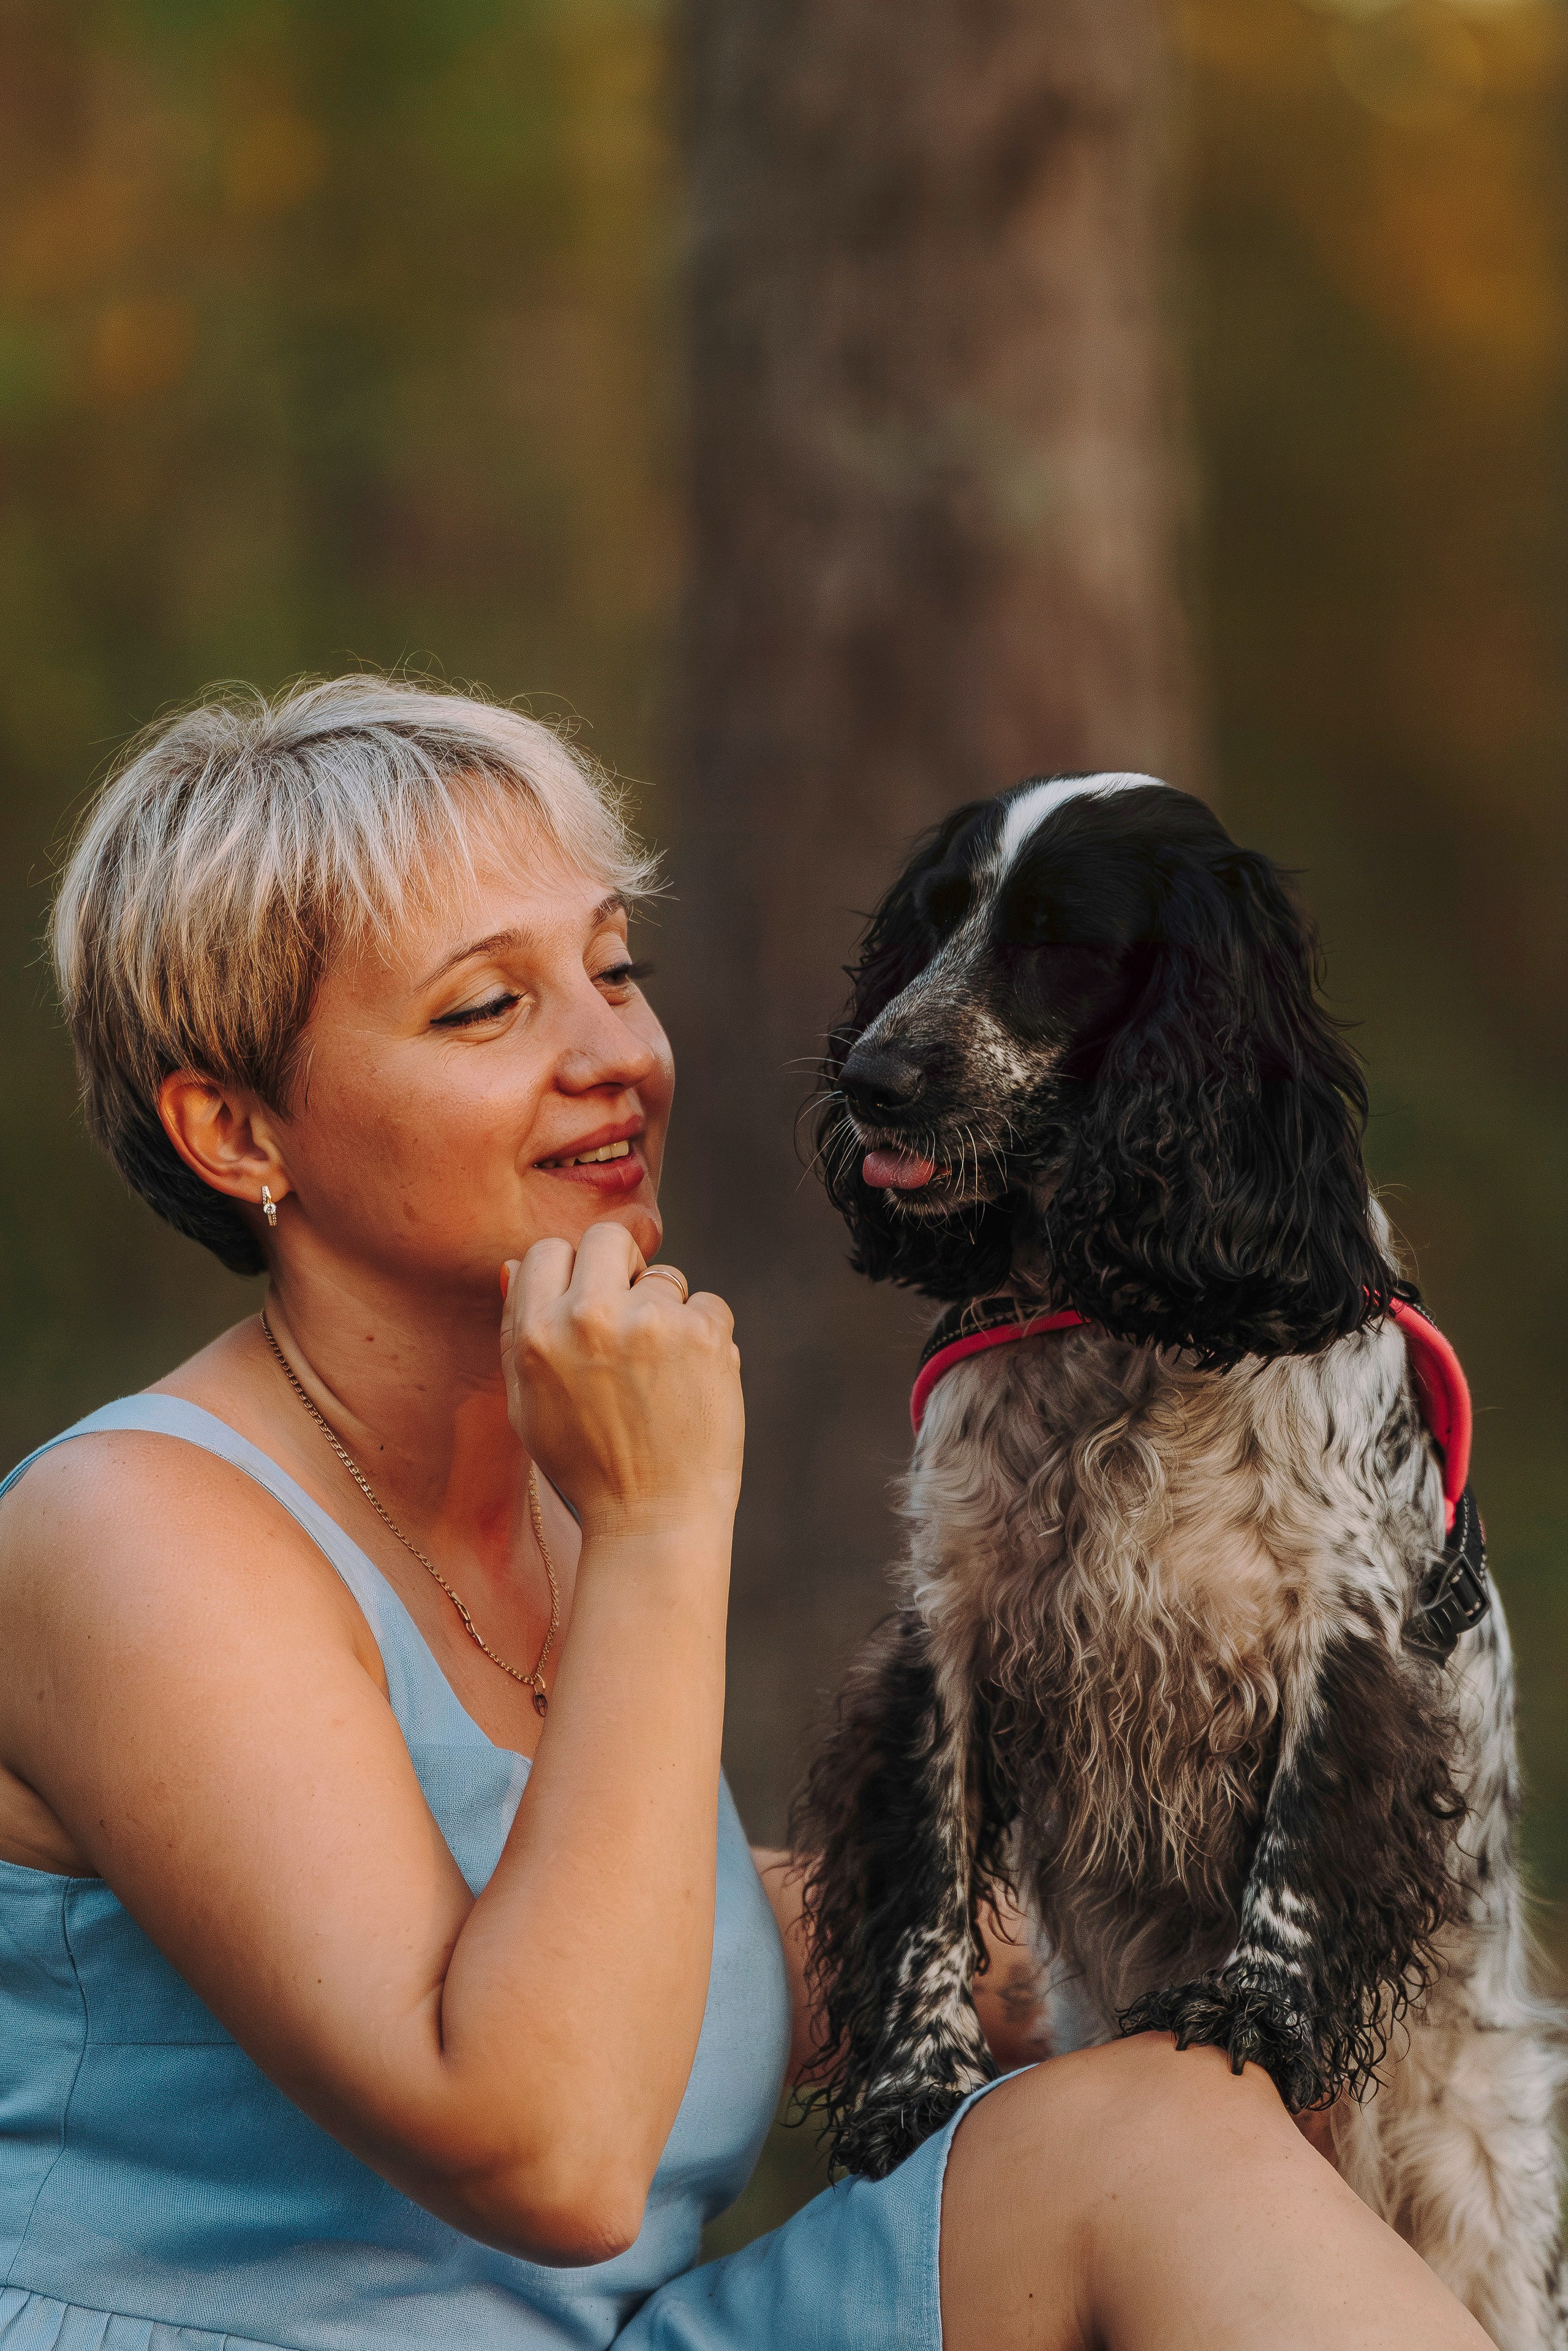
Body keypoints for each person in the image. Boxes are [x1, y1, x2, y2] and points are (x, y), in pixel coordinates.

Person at [0, 676, 1488, 2351]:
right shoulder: (127, 1537)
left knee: (1175, 2126)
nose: (618, 1055)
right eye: (489, 1008)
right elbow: (550, 2146)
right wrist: (658, 1528)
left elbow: (625, 1929)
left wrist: (1121, 1962)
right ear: (234, 1128)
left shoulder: (550, 1487)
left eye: (614, 968)